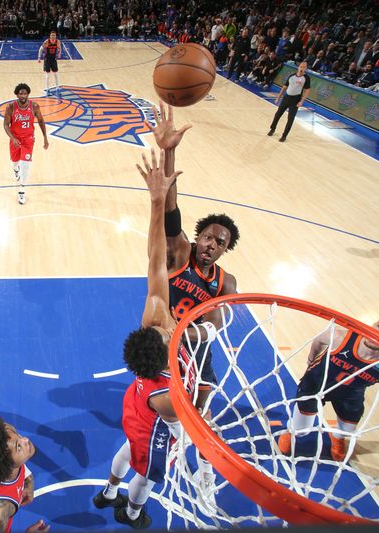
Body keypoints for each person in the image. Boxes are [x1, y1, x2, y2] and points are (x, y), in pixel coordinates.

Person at [93, 148, 194, 528]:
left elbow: (155, 258)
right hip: (154, 420)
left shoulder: (155, 316)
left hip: (135, 405)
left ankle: (107, 492)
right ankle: (132, 511)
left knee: (127, 449)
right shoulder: (169, 393)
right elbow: (179, 423)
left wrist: (155, 201)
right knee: (149, 473)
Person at [149, 102, 239, 441]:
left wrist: (187, 334)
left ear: (225, 249)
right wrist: (168, 154)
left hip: (193, 341)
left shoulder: (225, 282)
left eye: (220, 241)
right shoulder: (179, 253)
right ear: (197, 238)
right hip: (160, 338)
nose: (211, 244)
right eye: (207, 237)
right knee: (158, 404)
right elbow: (171, 209)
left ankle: (200, 433)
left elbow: (216, 325)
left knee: (204, 398)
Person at [277, 315, 379, 474]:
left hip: (350, 393)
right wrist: (311, 360)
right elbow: (318, 341)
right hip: (315, 384)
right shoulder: (340, 336)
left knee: (347, 430)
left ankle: (337, 438)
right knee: (302, 430)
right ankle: (291, 432)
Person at [3, 83, 48, 206]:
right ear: (17, 94)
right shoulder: (11, 107)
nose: (23, 95)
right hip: (15, 139)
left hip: (28, 139)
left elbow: (41, 121)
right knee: (15, 161)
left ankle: (22, 190)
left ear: (28, 94)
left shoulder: (34, 106)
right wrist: (12, 138)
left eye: (25, 93)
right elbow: (6, 124)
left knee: (25, 164)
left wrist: (45, 137)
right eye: (20, 93)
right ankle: (15, 169)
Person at [268, 61, 311, 142]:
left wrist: (302, 101)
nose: (302, 68)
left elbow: (307, 90)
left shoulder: (306, 78)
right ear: (298, 67)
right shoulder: (291, 76)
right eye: (301, 66)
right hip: (286, 98)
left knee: (290, 119)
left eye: (304, 67)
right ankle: (272, 129)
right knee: (277, 114)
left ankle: (284, 135)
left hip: (295, 100)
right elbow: (284, 87)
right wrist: (278, 97)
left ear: (306, 69)